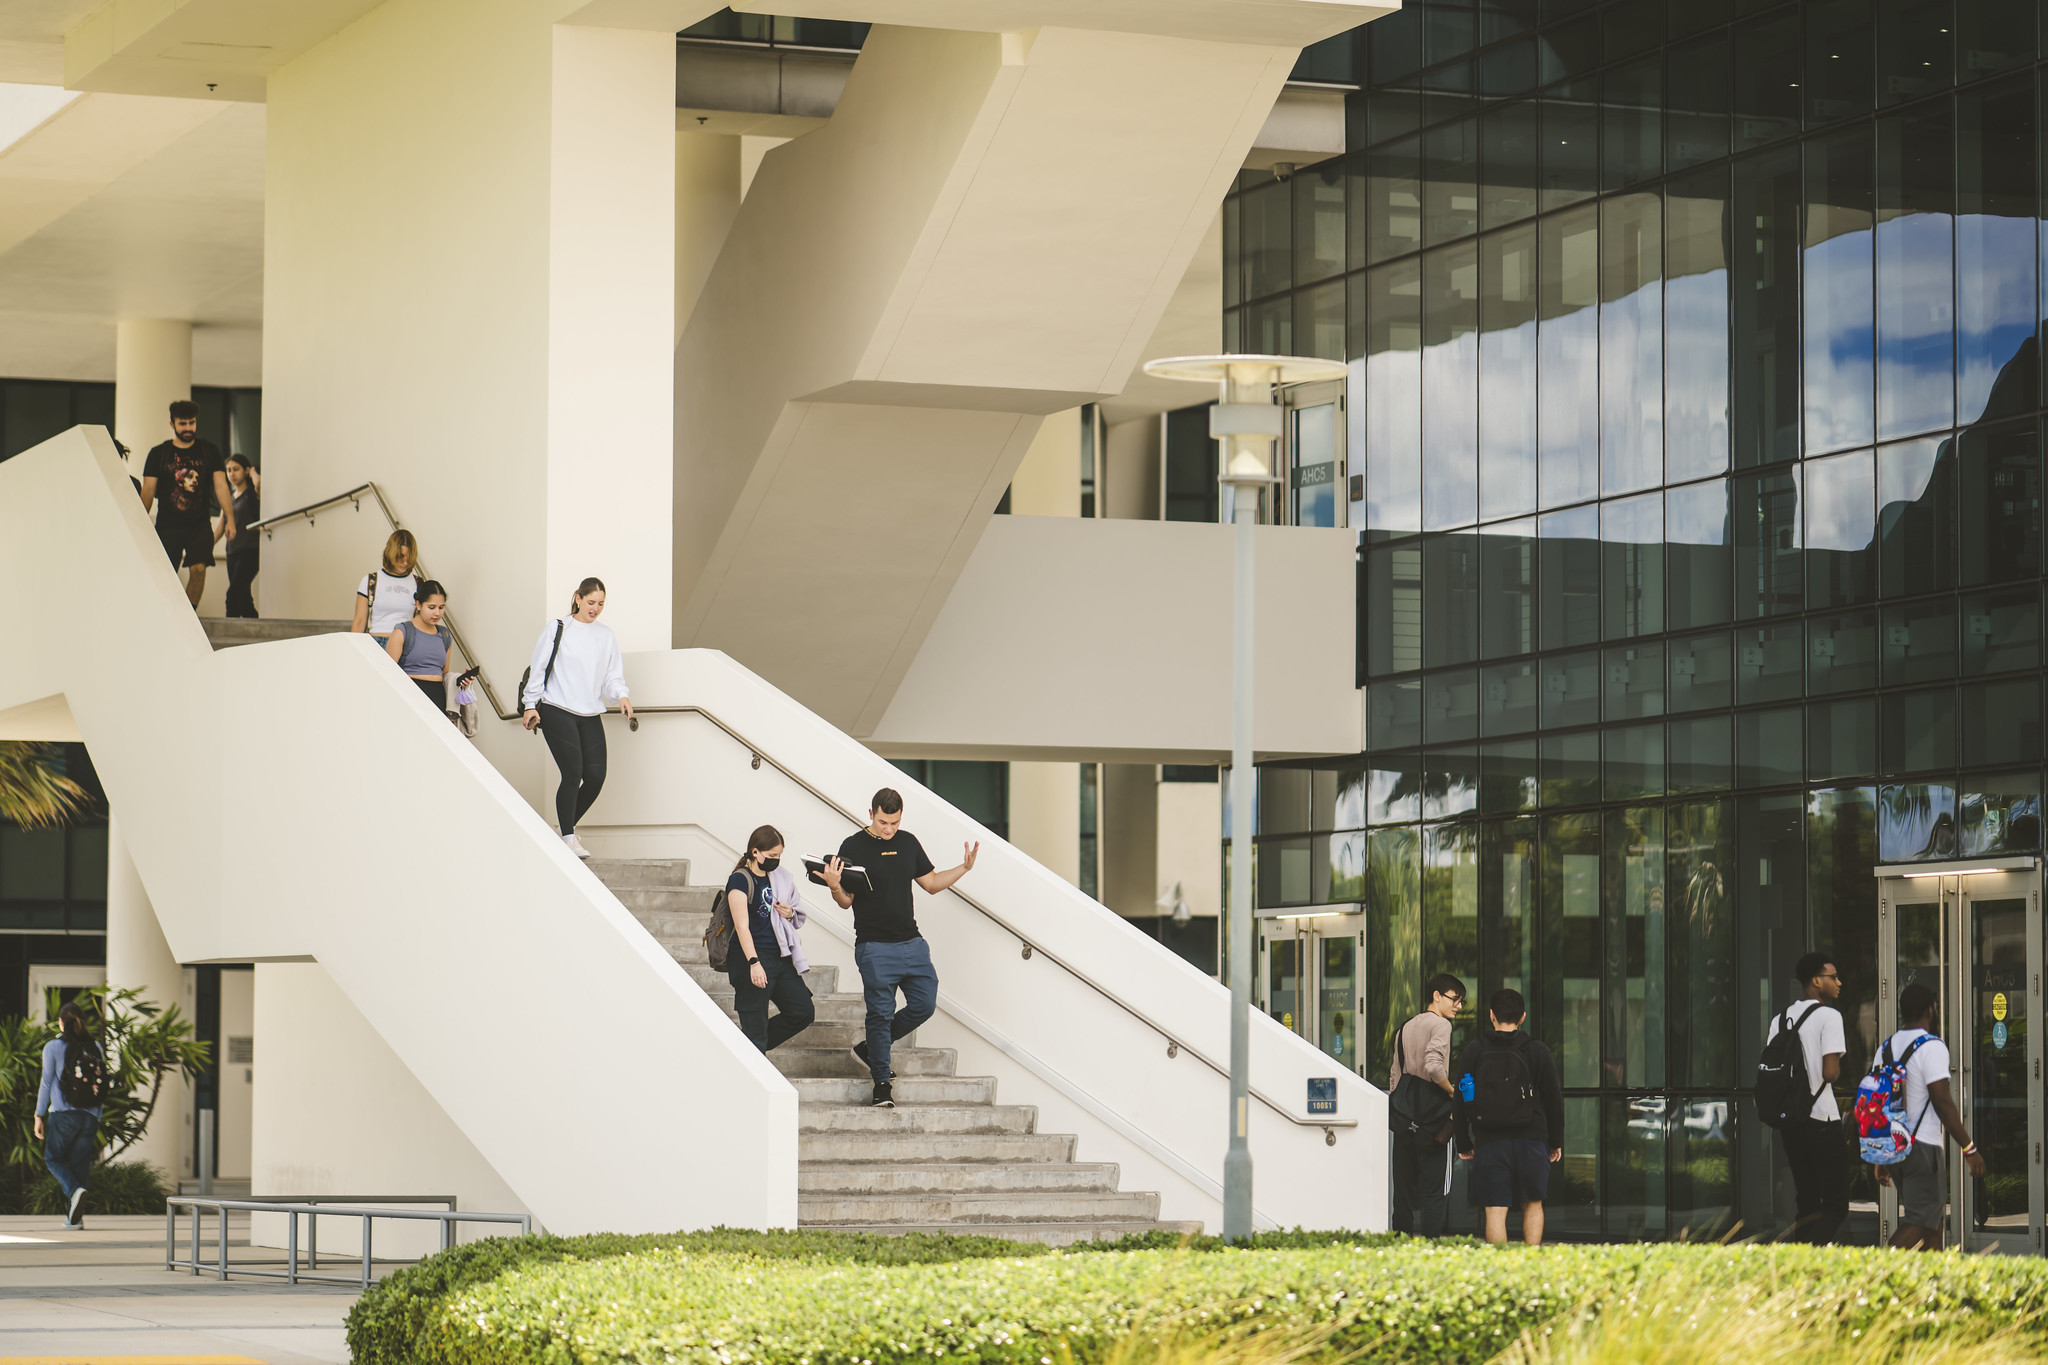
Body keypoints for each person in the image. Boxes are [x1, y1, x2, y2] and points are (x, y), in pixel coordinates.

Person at [819, 789, 978, 1108]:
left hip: (912, 943)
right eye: (882, 822)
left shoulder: (908, 842)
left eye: (894, 822)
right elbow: (846, 902)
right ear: (870, 814)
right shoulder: (852, 846)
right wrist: (835, 884)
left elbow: (931, 884)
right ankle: (881, 1084)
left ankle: (872, 1048)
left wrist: (964, 869)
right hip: (874, 945)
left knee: (925, 1003)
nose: (888, 829)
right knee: (880, 1014)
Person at [520, 578, 632, 859]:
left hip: (590, 712)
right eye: (591, 602)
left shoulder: (605, 636)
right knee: (572, 773)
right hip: (557, 708)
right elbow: (539, 667)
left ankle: (562, 829)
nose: (595, 608)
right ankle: (569, 836)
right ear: (578, 598)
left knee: (595, 777)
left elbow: (611, 677)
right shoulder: (559, 628)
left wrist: (621, 695)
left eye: (601, 604)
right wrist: (530, 704)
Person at [1876, 982, 1986, 1250]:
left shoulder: (1886, 1047)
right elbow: (1942, 1101)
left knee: (1933, 1220)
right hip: (1921, 1146)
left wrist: (1880, 1155)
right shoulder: (1932, 1046)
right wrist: (1969, 1148)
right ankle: (1876, 1269)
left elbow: (1876, 1102)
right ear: (1931, 1010)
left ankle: (1935, 1287)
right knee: (1922, 1220)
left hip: (1893, 1145)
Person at [1453, 988, 1564, 1245]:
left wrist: (1464, 1142)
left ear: (1491, 1016)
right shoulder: (1537, 1050)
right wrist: (1555, 1141)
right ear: (1522, 1017)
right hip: (1532, 1138)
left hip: (1490, 1140)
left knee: (1495, 1209)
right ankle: (1531, 1263)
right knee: (1533, 1204)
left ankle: (1500, 1269)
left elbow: (1460, 1098)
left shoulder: (1474, 1050)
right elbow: (1553, 1099)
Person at [1768, 952, 1849, 1243]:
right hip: (1822, 1119)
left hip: (1792, 1121)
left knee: (1808, 1204)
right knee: (1837, 1204)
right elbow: (1830, 1073)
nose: (1839, 983)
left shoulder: (1779, 1019)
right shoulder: (1830, 1016)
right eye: (1833, 977)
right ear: (1816, 981)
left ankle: (1799, 1265)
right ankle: (1815, 1256)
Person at [723, 825, 816, 1053]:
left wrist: (790, 913)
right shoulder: (739, 880)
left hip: (780, 956)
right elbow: (741, 926)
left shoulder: (779, 879)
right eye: (772, 855)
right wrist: (754, 963)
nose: (777, 860)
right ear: (755, 852)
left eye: (779, 855)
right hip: (750, 957)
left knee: (802, 1011)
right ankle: (753, 1051)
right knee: (756, 1031)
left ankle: (745, 1051)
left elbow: (795, 911)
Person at [1388, 973, 1465, 1238]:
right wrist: (1452, 1091)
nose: (1459, 1006)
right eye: (1455, 999)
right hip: (1434, 1122)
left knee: (1404, 1192)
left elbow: (1395, 1077)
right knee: (1435, 1191)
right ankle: (1431, 1250)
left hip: (1405, 1121)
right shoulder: (1441, 1026)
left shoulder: (1405, 1027)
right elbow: (1433, 1066)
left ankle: (1401, 1245)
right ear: (1437, 996)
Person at [139, 399, 234, 609]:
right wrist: (137, 522)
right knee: (165, 574)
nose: (188, 428)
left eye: (191, 423)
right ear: (172, 424)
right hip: (167, 524)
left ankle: (189, 614)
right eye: (183, 424)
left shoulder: (209, 451)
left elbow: (221, 486)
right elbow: (148, 491)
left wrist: (230, 519)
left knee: (199, 569)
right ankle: (167, 616)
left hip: (199, 524)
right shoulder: (158, 454)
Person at [34, 1000, 103, 1231]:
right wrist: (97, 1116)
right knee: (79, 1163)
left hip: (64, 1114)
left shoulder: (53, 1047)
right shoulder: (96, 1046)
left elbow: (47, 1083)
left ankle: (75, 1192)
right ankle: (75, 1219)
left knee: (53, 1159)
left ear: (61, 1022)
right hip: (90, 1115)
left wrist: (38, 1115)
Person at [386, 580, 456, 717]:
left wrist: (461, 680)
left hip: (437, 698)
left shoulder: (445, 635)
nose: (437, 613)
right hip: (409, 696)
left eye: (441, 607)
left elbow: (444, 673)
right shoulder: (403, 631)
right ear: (418, 605)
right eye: (431, 607)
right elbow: (388, 672)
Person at [352, 531, 423, 641]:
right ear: (391, 552)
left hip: (406, 644)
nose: (405, 563)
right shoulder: (371, 581)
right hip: (376, 643)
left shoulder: (417, 583)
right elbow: (359, 621)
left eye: (409, 558)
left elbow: (423, 621)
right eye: (401, 556)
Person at [217, 453, 261, 618]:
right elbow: (220, 528)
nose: (232, 474)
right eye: (228, 470)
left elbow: (260, 484)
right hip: (232, 552)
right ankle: (256, 634)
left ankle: (229, 633)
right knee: (244, 600)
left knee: (232, 597)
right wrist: (205, 549)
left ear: (246, 471)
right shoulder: (228, 498)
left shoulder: (252, 493)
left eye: (236, 469)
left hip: (250, 551)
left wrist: (253, 472)